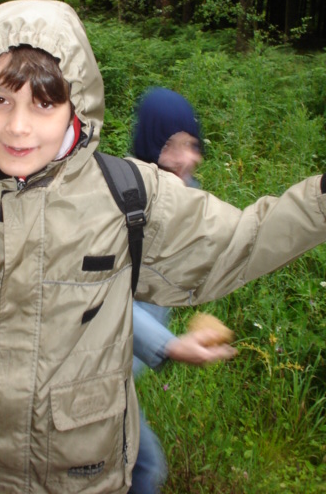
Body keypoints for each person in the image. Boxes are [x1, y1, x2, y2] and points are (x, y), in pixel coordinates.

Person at [0, 0, 324, 494]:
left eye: (44, 103)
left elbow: (242, 241)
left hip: (75, 478)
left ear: (77, 106)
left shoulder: (128, 199)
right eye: (0, 100)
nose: (18, 127)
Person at [130, 87, 236, 494]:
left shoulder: (186, 196)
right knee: (143, 467)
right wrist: (170, 345)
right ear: (149, 146)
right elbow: (101, 296)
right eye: (170, 144)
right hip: (86, 368)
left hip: (118, 372)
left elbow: (235, 238)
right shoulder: (123, 202)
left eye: (192, 144)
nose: (185, 158)